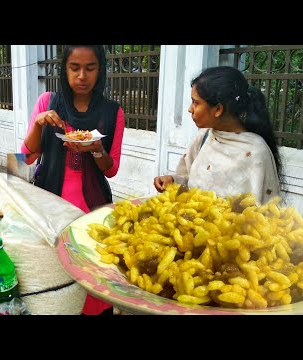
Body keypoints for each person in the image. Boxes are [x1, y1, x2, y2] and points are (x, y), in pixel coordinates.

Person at [21, 45, 125, 315]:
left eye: (90, 68)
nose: (82, 76)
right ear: (64, 69)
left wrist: (96, 149)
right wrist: (38, 124)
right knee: (54, 277)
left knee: (94, 278)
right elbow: (27, 156)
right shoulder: (47, 102)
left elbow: (111, 169)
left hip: (92, 210)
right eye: (74, 68)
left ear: (100, 70)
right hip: (49, 205)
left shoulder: (113, 112)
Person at [154, 66, 282, 205]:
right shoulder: (203, 138)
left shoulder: (255, 153)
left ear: (218, 109)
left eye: (196, 102)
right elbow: (188, 180)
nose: (190, 109)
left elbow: (262, 215)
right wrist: (172, 181)